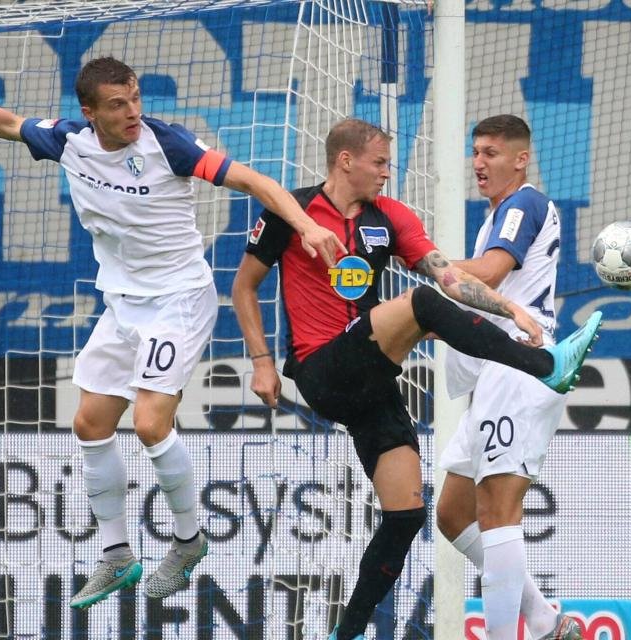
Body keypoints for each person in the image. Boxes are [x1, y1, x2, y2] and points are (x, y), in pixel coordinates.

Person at [0, 57, 346, 610]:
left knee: (151, 423)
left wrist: (308, 224)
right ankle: (117, 554)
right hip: (122, 302)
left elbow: (254, 180)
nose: (132, 112)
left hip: (179, 299)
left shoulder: (168, 145)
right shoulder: (69, 140)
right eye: (117, 104)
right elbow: (6, 123)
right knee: (90, 423)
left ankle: (188, 541)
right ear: (90, 112)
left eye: (135, 99)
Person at [231, 118, 601, 640]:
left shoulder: (392, 218)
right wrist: (263, 362)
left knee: (410, 514)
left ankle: (349, 631)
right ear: (346, 161)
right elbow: (244, 288)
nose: (388, 173)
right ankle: (546, 366)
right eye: (380, 163)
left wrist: (507, 309)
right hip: (322, 368)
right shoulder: (292, 213)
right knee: (421, 304)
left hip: (370, 381)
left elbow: (445, 273)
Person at [436, 114, 585, 640]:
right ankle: (544, 620)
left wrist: (425, 263)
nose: (478, 163)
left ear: (520, 159)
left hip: (518, 365)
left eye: (491, 153)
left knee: (499, 511)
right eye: (475, 152)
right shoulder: (500, 212)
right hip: (493, 373)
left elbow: (493, 272)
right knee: (453, 514)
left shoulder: (525, 202)